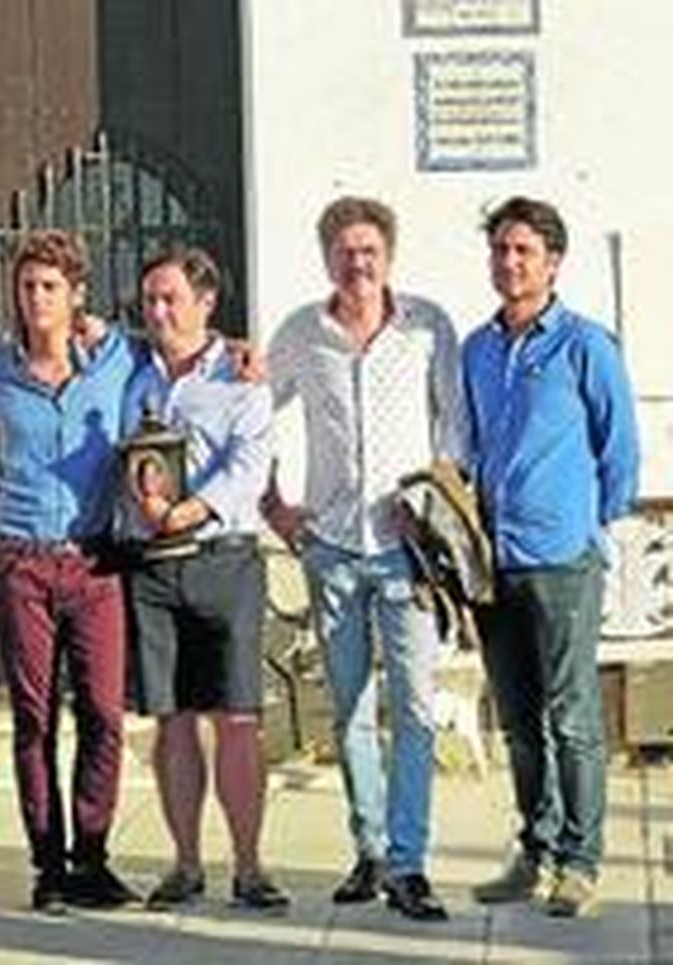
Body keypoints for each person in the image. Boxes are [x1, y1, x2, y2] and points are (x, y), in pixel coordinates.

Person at [264, 197, 467, 920]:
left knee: (412, 708)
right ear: (326, 257)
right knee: (348, 706)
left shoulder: (426, 326)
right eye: (345, 250)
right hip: (333, 549)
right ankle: (370, 848)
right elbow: (254, 415)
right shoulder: (300, 333)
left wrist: (437, 506)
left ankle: (410, 863)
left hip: (408, 554)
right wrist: (273, 505)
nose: (358, 262)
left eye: (369, 250)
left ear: (389, 255)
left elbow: (457, 426)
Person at [463, 197, 639, 918]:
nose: (510, 263)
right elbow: (470, 442)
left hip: (563, 558)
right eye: (501, 250)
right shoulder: (477, 346)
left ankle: (580, 859)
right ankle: (534, 850)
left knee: (572, 718)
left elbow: (620, 448)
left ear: (553, 261)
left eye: (524, 251)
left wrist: (587, 523)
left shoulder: (585, 346)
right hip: (492, 561)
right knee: (518, 718)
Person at [0, 229, 140, 914]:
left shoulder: (117, 359)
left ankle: (91, 856)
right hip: (21, 561)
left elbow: (187, 337)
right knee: (33, 718)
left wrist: (245, 358)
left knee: (103, 712)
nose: (37, 298)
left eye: (50, 286)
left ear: (76, 294)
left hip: (96, 560)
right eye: (27, 285)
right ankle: (47, 862)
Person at [123, 244, 288, 912]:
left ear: (206, 303)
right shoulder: (132, 370)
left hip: (223, 558)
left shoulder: (242, 375)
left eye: (170, 298)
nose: (158, 311)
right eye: (150, 299)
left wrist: (191, 508)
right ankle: (185, 862)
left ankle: (249, 864)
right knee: (173, 719)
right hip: (153, 569)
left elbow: (253, 459)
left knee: (238, 718)